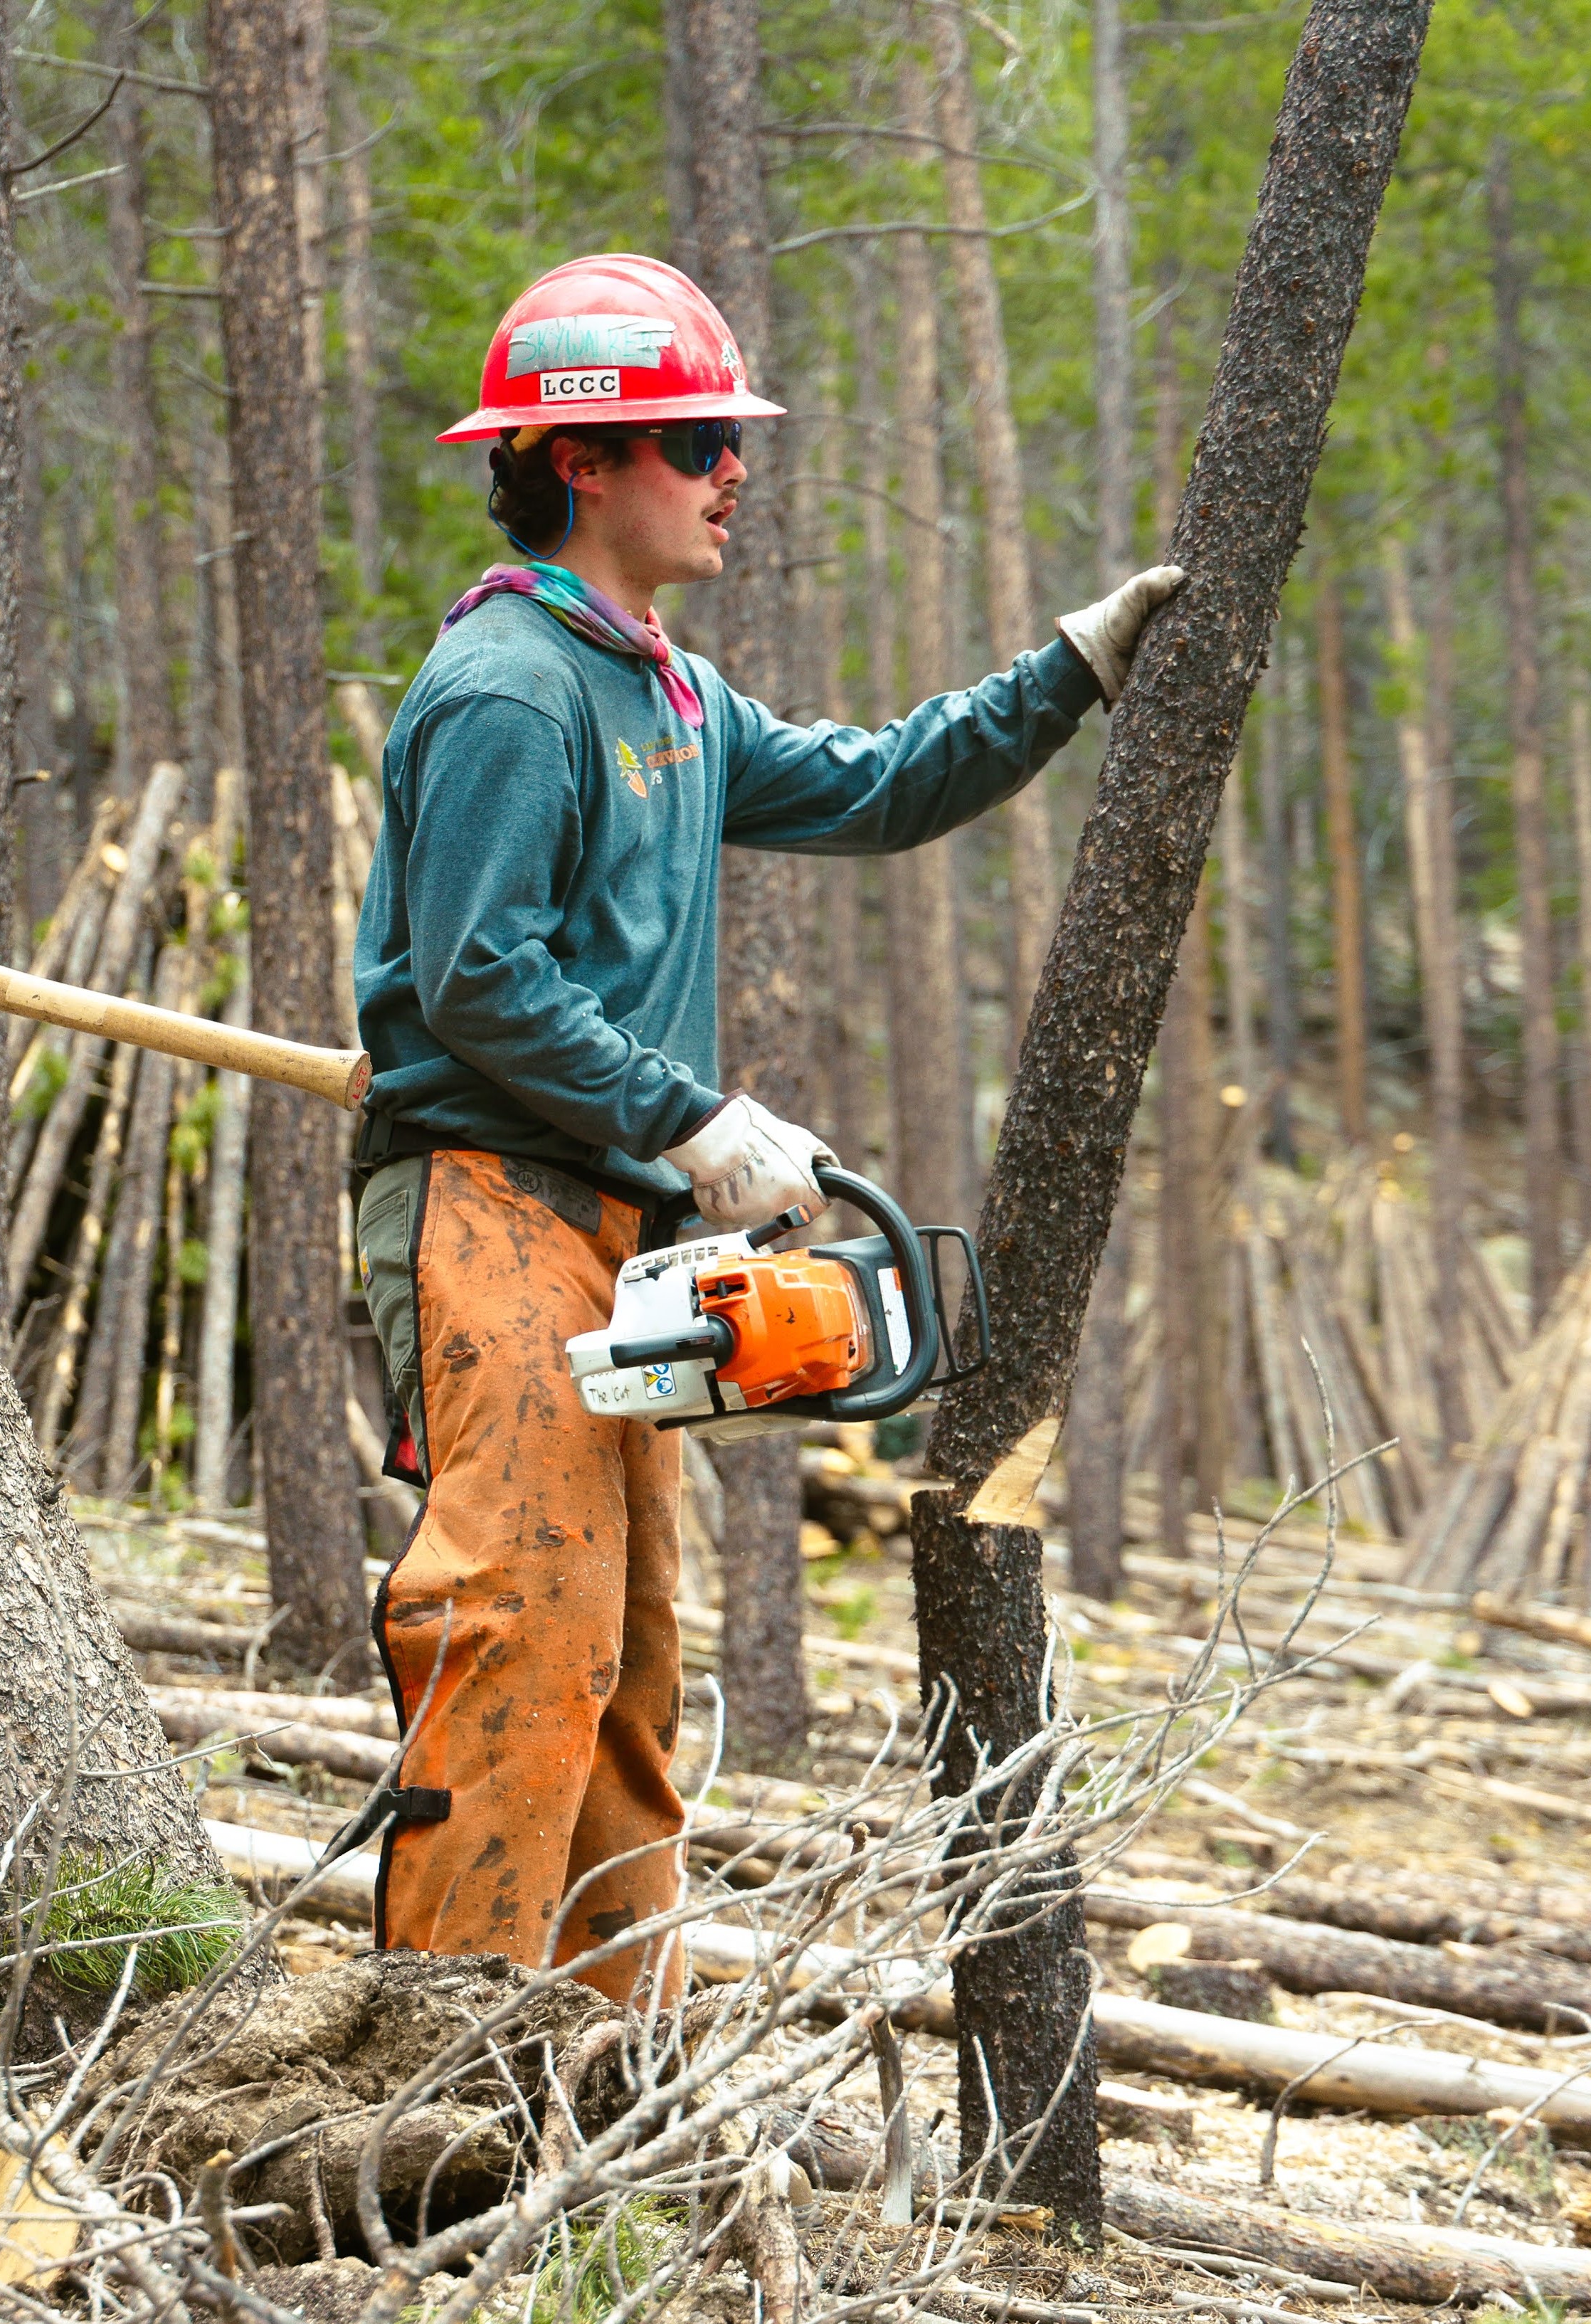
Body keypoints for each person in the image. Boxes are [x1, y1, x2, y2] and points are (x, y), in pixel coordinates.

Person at [349, 251, 1181, 2001]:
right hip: (484, 1203)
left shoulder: (663, 690)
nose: (735, 469)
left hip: (610, 1222)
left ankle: (597, 2065)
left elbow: (875, 784)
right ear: (580, 459)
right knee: (517, 1620)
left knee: (628, 1655)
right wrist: (694, 1111)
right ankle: (429, 2056)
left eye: (732, 437)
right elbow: (478, 978)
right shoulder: (510, 685)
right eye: (700, 438)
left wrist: (1069, 672)